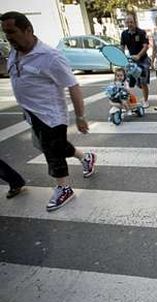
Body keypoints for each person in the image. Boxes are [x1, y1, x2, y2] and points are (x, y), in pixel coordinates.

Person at [1, 11, 96, 211]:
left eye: (12, 31)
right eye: (5, 33)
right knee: (54, 146)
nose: (8, 37)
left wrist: (80, 117)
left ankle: (64, 188)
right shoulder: (14, 51)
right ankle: (85, 157)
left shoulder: (50, 56)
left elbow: (73, 86)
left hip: (50, 115)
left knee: (52, 152)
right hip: (31, 113)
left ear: (28, 30)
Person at [121, 14, 151, 108]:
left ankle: (146, 100)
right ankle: (141, 90)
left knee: (143, 81)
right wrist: (121, 59)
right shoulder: (124, 34)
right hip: (132, 61)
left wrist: (138, 55)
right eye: (128, 22)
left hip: (143, 60)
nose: (130, 24)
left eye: (131, 22)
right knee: (135, 82)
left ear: (135, 22)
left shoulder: (141, 32)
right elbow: (122, 47)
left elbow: (146, 46)